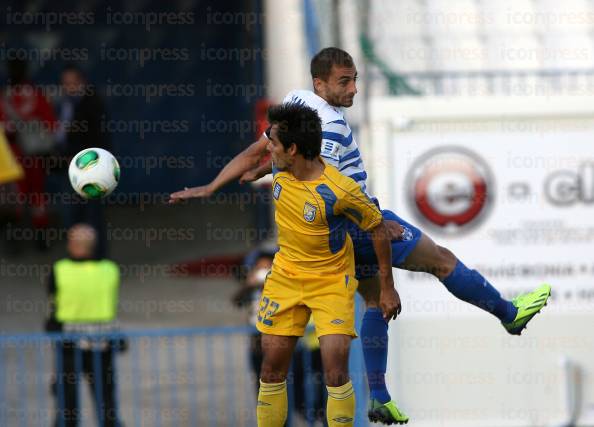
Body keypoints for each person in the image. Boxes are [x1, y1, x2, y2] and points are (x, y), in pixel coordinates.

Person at [170, 47, 551, 424]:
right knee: (441, 261)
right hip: (355, 225)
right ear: (319, 83)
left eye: (355, 80)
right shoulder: (329, 130)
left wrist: (212, 185)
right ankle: (508, 313)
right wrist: (375, 224)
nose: (353, 89)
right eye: (344, 82)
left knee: (372, 305)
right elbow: (317, 183)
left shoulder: (296, 101)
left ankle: (380, 397)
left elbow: (257, 151)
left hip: (349, 226)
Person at [231, 102, 398, 426]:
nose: (268, 149)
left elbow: (377, 229)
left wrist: (387, 288)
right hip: (285, 278)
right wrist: (249, 172)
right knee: (271, 368)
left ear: (292, 150)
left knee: (335, 371)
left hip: (331, 282)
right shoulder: (281, 166)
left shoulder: (339, 190)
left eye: (273, 145)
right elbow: (265, 162)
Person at [45, 223, 123, 427]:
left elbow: (52, 300)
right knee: (105, 397)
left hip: (69, 341)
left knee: (66, 399)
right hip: (102, 341)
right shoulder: (110, 269)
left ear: (71, 244)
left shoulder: (59, 269)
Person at [52, 64, 111, 258]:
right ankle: (77, 258)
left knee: (92, 217)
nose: (69, 87)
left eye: (73, 82)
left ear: (82, 82)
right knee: (71, 216)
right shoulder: (64, 104)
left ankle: (97, 259)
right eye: (65, 83)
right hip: (68, 170)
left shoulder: (92, 104)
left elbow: (98, 139)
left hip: (89, 171)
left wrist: (78, 159)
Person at [0, 58, 57, 250]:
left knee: (15, 198)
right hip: (35, 155)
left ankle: (15, 241)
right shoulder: (38, 95)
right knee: (37, 196)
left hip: (11, 158)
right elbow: (51, 124)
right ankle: (42, 239)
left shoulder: (4, 97)